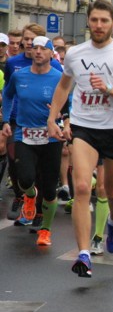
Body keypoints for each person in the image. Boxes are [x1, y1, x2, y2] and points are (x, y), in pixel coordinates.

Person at [47, 0, 113, 278]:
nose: (99, 25)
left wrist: (111, 89)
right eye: (94, 20)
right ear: (88, 22)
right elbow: (64, 85)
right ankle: (84, 253)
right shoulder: (75, 54)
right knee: (81, 187)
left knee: (112, 193)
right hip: (84, 126)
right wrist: (52, 117)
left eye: (104, 20)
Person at [2, 36, 65, 246]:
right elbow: (8, 95)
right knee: (25, 178)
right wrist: (5, 121)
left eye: (42, 48)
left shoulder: (59, 77)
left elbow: (71, 103)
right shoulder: (20, 76)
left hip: (51, 137)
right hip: (24, 134)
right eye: (34, 48)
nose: (37, 51)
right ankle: (29, 195)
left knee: (49, 189)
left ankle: (45, 230)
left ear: (50, 54)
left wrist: (64, 117)